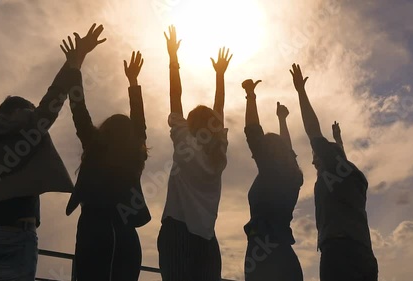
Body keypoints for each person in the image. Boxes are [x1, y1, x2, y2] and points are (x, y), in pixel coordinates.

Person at [0, 25, 93, 280]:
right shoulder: (31, 131)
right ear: (21, 112)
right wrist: (75, 61)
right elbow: (53, 99)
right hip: (15, 236)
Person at [64, 29, 151, 280]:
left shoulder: (95, 147)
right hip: (125, 235)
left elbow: (78, 107)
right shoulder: (134, 155)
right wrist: (133, 82)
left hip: (94, 231)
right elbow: (140, 123)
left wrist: (76, 63)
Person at [289, 63, 378, 281]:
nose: (313, 161)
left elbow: (312, 131)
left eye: (316, 156)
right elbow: (342, 158)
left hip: (340, 253)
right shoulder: (351, 177)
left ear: (329, 156)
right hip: (363, 254)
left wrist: (301, 91)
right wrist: (338, 139)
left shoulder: (333, 169)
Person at [157, 25, 231, 281]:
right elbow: (219, 108)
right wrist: (220, 75)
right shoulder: (218, 154)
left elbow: (175, 95)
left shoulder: (183, 140)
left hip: (177, 232)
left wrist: (173, 59)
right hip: (207, 240)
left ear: (190, 124)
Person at [241, 79, 304, 281]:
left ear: (267, 154)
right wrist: (282, 120)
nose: (254, 157)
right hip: (285, 256)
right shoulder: (292, 177)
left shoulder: (271, 174)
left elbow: (253, 132)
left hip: (264, 258)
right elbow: (289, 152)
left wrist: (250, 95)